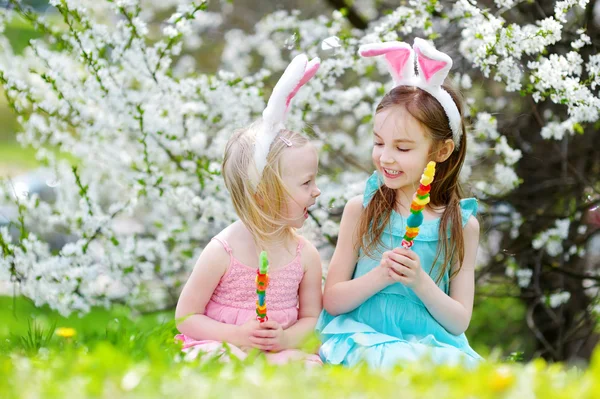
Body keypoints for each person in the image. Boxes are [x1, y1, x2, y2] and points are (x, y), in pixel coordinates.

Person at [316, 38, 483, 369]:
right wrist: (380, 276)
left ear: (441, 151)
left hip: (428, 345)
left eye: (403, 148)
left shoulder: (462, 226)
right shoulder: (361, 210)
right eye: (378, 142)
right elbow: (333, 301)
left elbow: (459, 320)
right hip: (361, 336)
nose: (385, 157)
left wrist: (420, 281)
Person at [175, 54, 323, 366]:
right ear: (263, 196)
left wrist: (285, 338)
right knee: (215, 358)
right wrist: (240, 336)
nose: (317, 191)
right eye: (306, 182)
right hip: (225, 345)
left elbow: (312, 318)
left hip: (278, 352)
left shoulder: (304, 254)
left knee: (308, 365)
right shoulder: (223, 251)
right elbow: (186, 317)